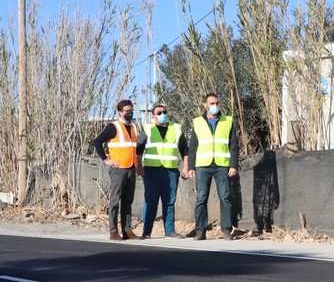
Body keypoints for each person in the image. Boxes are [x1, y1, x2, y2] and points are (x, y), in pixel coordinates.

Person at [187, 92, 239, 240]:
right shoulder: (197, 122)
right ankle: (200, 231)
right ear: (205, 105)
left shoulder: (227, 121)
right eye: (211, 103)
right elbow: (193, 146)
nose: (215, 106)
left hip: (222, 165)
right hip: (203, 166)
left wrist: (233, 165)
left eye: (217, 103)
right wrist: (191, 167)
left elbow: (233, 145)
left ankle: (226, 230)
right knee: (201, 198)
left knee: (225, 197)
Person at [91, 99, 143, 240]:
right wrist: (106, 159)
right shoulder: (113, 126)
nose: (130, 113)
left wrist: (138, 165)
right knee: (115, 201)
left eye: (131, 110)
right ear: (120, 112)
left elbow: (136, 147)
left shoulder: (133, 127)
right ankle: (113, 231)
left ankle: (127, 231)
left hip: (131, 167)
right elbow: (96, 142)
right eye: (127, 111)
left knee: (128, 201)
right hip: (119, 169)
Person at [138, 103, 189, 239]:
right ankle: (146, 231)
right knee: (151, 201)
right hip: (151, 171)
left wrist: (186, 166)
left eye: (164, 112)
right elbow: (138, 149)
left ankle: (170, 230)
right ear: (153, 116)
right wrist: (139, 167)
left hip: (171, 171)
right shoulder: (147, 129)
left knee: (169, 201)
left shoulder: (176, 128)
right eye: (159, 113)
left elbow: (184, 148)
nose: (162, 115)